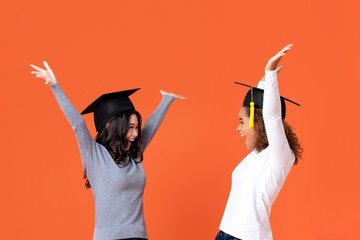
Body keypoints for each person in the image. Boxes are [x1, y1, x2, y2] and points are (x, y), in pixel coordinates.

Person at [30, 61, 185, 240]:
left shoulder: (132, 156)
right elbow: (78, 124)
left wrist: (167, 99)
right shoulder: (94, 155)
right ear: (112, 127)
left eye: (136, 127)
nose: (135, 134)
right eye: (130, 128)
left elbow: (150, 128)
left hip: (139, 236)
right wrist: (55, 86)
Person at [215, 44, 303, 240]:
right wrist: (263, 85)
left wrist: (270, 72)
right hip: (224, 234)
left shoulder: (279, 157)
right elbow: (266, 115)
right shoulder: (256, 155)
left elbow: (271, 118)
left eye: (241, 122)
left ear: (258, 122)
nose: (237, 128)